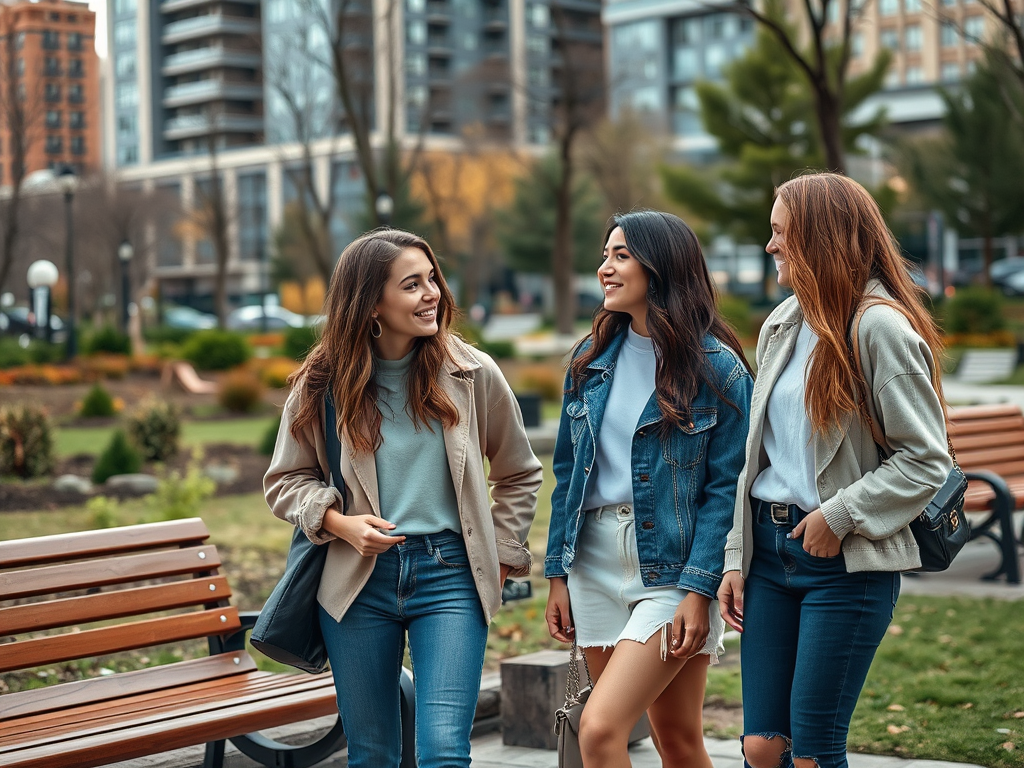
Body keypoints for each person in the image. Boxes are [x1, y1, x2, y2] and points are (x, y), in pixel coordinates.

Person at [265, 228, 543, 768]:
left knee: (443, 752)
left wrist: (503, 557)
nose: (432, 293)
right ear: (371, 303)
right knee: (372, 755)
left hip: (449, 575)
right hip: (355, 582)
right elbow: (284, 481)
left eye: (432, 278)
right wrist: (341, 524)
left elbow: (520, 473)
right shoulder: (322, 384)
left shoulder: (471, 372)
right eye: (412, 284)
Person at [718, 173, 952, 768]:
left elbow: (926, 459)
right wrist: (736, 560)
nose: (769, 246)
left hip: (845, 567)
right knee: (762, 748)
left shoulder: (880, 328)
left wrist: (840, 515)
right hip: (770, 558)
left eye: (779, 234)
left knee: (813, 751)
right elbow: (756, 459)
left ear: (818, 239)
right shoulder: (784, 323)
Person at [545, 210, 753, 767]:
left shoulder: (719, 371)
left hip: (671, 569)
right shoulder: (589, 364)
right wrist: (558, 573)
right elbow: (569, 475)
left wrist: (699, 588)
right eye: (604, 255)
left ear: (659, 268)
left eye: (620, 255)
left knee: (601, 729)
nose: (604, 268)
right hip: (591, 561)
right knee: (678, 739)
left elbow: (725, 491)